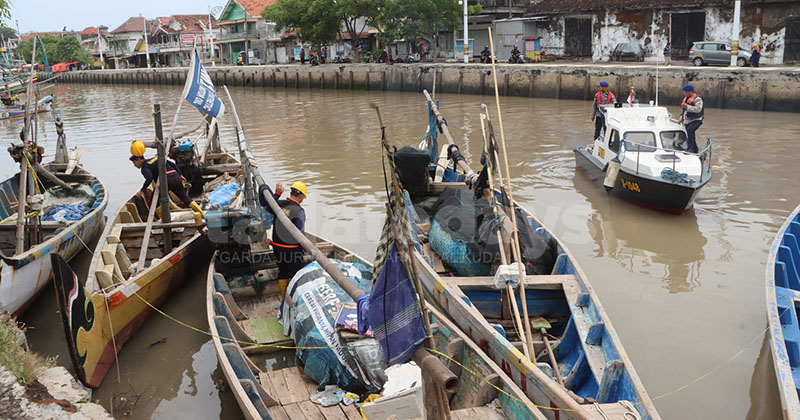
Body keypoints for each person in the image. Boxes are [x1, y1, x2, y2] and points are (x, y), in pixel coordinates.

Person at [129, 140, 200, 216]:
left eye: (134, 162)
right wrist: (180, 175)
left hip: (166, 180)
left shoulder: (144, 168)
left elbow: (149, 178)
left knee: (154, 202)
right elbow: (172, 164)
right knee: (185, 199)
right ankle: (201, 212)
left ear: (139, 160)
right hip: (176, 177)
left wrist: (142, 190)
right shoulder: (156, 158)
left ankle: (163, 219)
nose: (134, 165)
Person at [259, 181, 308, 281]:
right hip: (292, 250)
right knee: (298, 276)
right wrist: (305, 248)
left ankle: (283, 295)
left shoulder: (278, 204)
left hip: (277, 247)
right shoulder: (299, 211)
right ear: (301, 196)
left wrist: (277, 193)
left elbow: (266, 204)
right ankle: (292, 295)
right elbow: (300, 232)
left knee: (283, 272)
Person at [679, 85, 703, 154]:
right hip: (688, 120)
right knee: (690, 134)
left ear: (690, 91)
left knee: (690, 131)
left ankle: (690, 149)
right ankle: (695, 150)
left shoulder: (698, 99)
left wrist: (687, 107)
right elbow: (684, 111)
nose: (684, 93)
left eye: (686, 92)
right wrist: (681, 119)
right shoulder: (686, 99)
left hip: (696, 120)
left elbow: (698, 109)